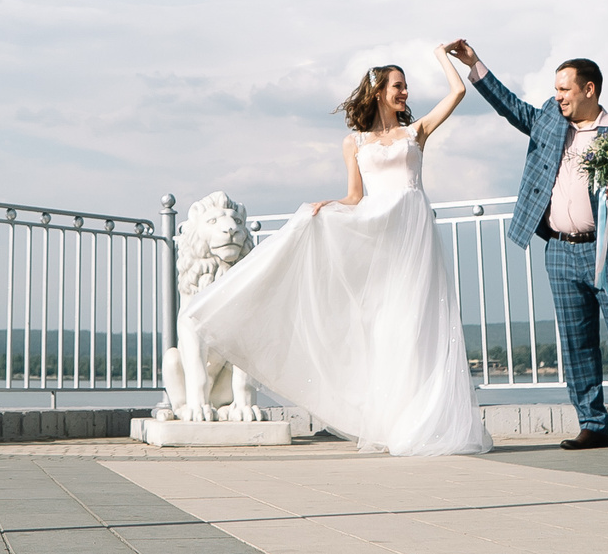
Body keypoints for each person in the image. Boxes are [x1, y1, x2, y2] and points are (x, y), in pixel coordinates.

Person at [181, 50, 493, 456]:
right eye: (398, 85)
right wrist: (325, 207)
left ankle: (423, 422)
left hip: (414, 236)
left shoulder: (416, 132)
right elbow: (355, 196)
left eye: (405, 86)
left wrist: (442, 54)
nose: (405, 92)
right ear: (379, 91)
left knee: (419, 325)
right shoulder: (355, 143)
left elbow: (457, 91)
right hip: (380, 234)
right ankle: (390, 423)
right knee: (385, 326)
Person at [441, 39, 608, 450]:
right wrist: (475, 65)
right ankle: (593, 425)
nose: (557, 96)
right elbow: (511, 107)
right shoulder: (547, 119)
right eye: (556, 89)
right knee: (575, 341)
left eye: (564, 89)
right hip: (559, 249)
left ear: (589, 90)